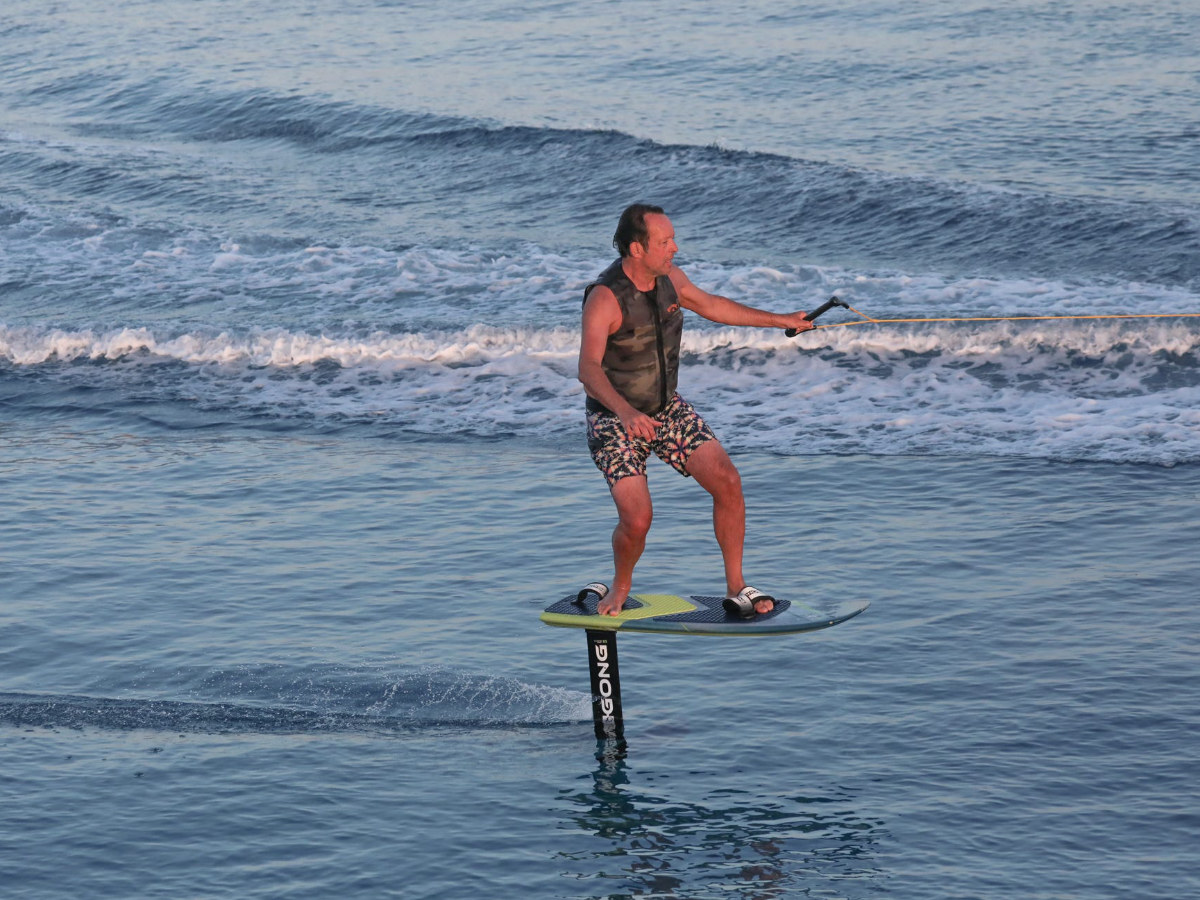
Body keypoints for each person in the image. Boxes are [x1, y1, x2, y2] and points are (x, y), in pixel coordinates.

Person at [578, 203, 815, 618]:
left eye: (673, 239)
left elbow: (716, 306)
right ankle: (618, 588)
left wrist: (781, 320)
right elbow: (587, 369)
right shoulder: (605, 298)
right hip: (614, 418)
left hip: (665, 408)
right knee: (637, 520)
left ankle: (737, 586)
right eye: (665, 241)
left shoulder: (671, 279)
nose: (675, 247)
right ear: (637, 249)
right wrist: (627, 414)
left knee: (727, 480)